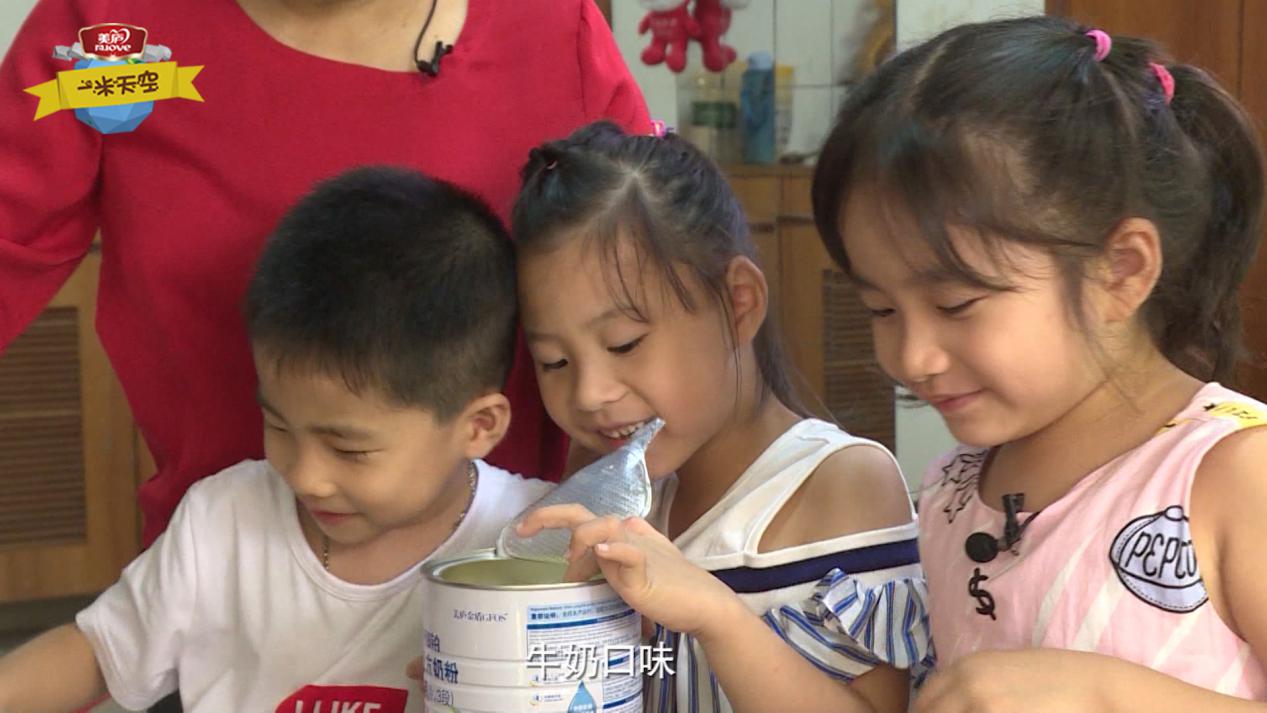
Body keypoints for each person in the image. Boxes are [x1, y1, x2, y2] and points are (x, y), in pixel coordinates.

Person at [0, 0, 648, 550]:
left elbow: (671, 329)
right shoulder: (111, 37)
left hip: (511, 588)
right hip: (226, 591)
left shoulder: (552, 30)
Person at [809, 16, 1267, 712]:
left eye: (956, 303)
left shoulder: (1236, 474)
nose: (911, 356)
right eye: (881, 308)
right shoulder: (953, 488)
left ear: (1120, 271)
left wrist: (1102, 693)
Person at [0, 166, 553, 713]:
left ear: (478, 426)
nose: (305, 476)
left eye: (349, 449)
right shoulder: (223, 521)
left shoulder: (539, 540)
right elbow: (100, 655)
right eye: (279, 426)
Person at [510, 121, 930, 713]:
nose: (590, 393)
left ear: (738, 304)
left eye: (625, 343)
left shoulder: (843, 482)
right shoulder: (606, 488)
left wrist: (715, 616)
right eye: (554, 361)